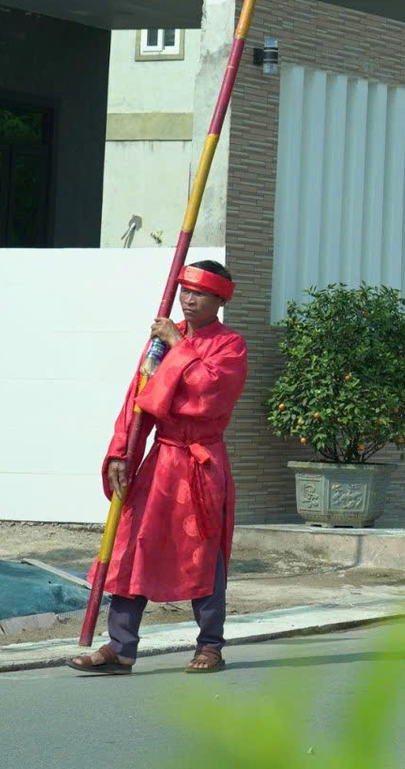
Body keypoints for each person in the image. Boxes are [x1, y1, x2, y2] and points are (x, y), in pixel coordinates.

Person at [69, 262, 248, 676]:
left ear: (221, 299)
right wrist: (121, 453)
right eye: (184, 290)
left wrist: (177, 344)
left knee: (203, 555)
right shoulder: (161, 342)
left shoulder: (230, 345)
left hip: (201, 463)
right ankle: (121, 646)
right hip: (160, 460)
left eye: (199, 293)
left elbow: (208, 392)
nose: (188, 299)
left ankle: (210, 645)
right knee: (133, 547)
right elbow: (140, 395)